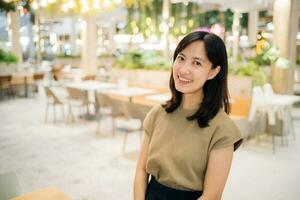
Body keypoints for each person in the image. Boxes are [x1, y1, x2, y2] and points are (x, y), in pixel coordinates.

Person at [134, 31, 243, 200]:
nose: (184, 69)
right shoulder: (157, 113)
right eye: (181, 58)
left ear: (213, 72)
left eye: (197, 63)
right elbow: (141, 170)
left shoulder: (223, 128)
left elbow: (212, 196)